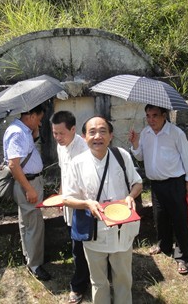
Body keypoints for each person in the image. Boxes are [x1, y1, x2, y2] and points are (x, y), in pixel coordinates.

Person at [62, 116, 143, 304]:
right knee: (98, 280)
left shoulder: (121, 155)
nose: (97, 136)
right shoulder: (77, 163)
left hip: (121, 229)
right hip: (94, 232)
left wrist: (131, 196)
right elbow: (67, 198)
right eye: (92, 132)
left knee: (123, 277)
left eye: (103, 131)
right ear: (84, 137)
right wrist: (87, 204)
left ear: (111, 135)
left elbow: (137, 182)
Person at [128, 104, 188, 274]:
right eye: (148, 116)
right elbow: (141, 156)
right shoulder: (146, 133)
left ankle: (183, 256)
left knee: (179, 220)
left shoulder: (175, 133)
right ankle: (164, 245)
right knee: (160, 218)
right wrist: (135, 144)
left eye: (155, 115)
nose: (151, 120)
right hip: (156, 184)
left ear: (164, 115)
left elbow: (187, 157)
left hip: (175, 182)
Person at [3, 103, 51, 281]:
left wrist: (35, 134)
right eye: (38, 119)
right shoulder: (17, 132)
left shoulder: (23, 130)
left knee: (27, 222)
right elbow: (14, 165)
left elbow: (24, 155)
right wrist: (29, 189)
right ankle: (36, 265)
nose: (39, 123)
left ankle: (29, 258)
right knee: (34, 225)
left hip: (29, 181)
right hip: (27, 183)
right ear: (30, 115)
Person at [51, 110, 90, 304]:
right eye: (54, 133)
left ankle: (79, 285)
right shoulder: (62, 146)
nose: (57, 137)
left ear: (73, 129)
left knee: (79, 247)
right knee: (78, 245)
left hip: (82, 206)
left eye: (61, 133)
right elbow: (63, 171)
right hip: (68, 203)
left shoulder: (84, 148)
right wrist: (60, 193)